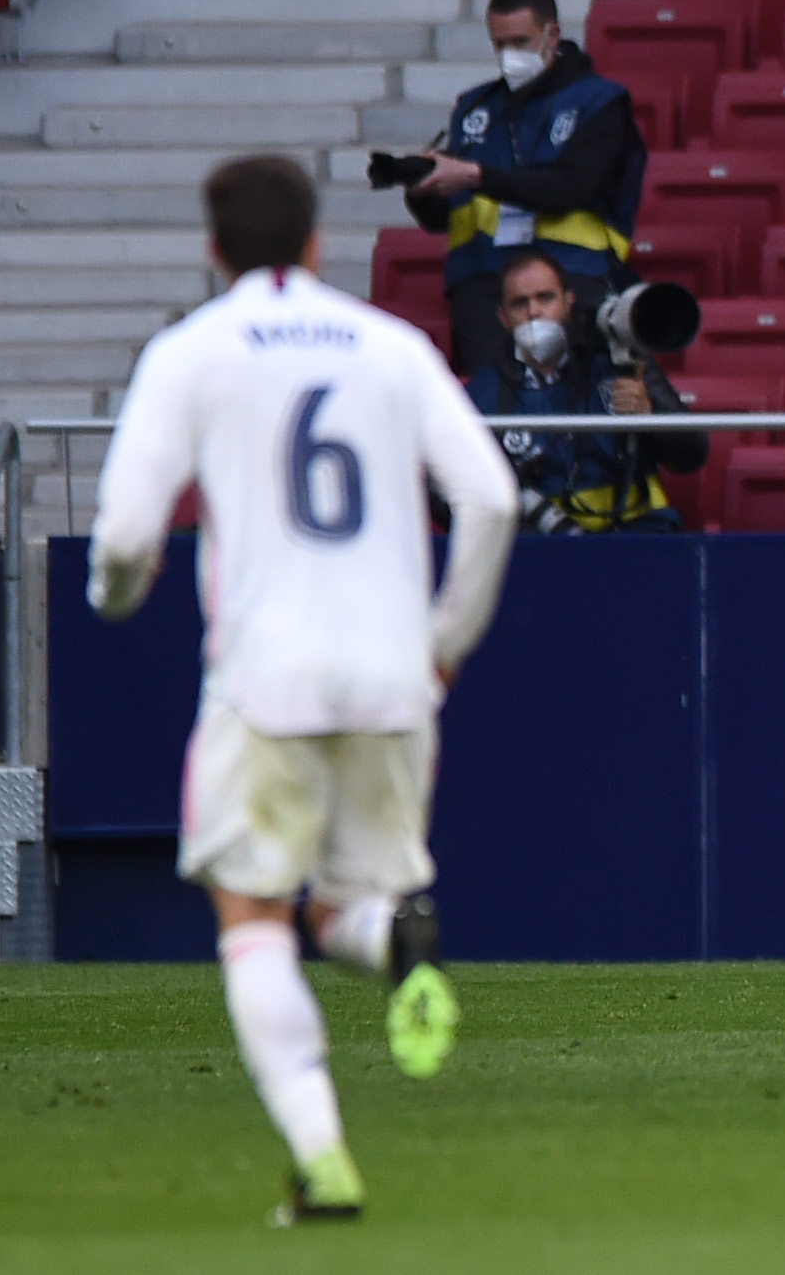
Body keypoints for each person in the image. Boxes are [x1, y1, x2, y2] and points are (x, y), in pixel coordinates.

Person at [87, 155, 519, 1223]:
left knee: (254, 918)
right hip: (390, 678)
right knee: (341, 906)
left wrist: (114, 595)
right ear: (320, 244)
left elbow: (130, 535)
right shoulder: (391, 345)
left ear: (214, 247)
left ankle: (323, 1163)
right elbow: (492, 497)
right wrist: (446, 640)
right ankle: (396, 942)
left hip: (264, 678)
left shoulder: (192, 351)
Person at [403, 0, 648, 377]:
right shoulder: (475, 108)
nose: (507, 56)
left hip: (574, 274)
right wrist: (422, 187)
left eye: (519, 42)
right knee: (496, 405)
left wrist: (475, 174)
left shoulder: (599, 103)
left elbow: (569, 188)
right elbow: (443, 218)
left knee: (575, 398)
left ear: (552, 35)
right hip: (483, 284)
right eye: (498, 45)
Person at [464, 251, 706, 533]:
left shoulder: (620, 362)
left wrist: (651, 416)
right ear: (503, 317)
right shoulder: (483, 395)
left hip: (639, 531)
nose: (534, 312)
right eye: (520, 303)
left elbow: (693, 454)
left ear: (569, 301)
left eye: (546, 298)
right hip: (544, 547)